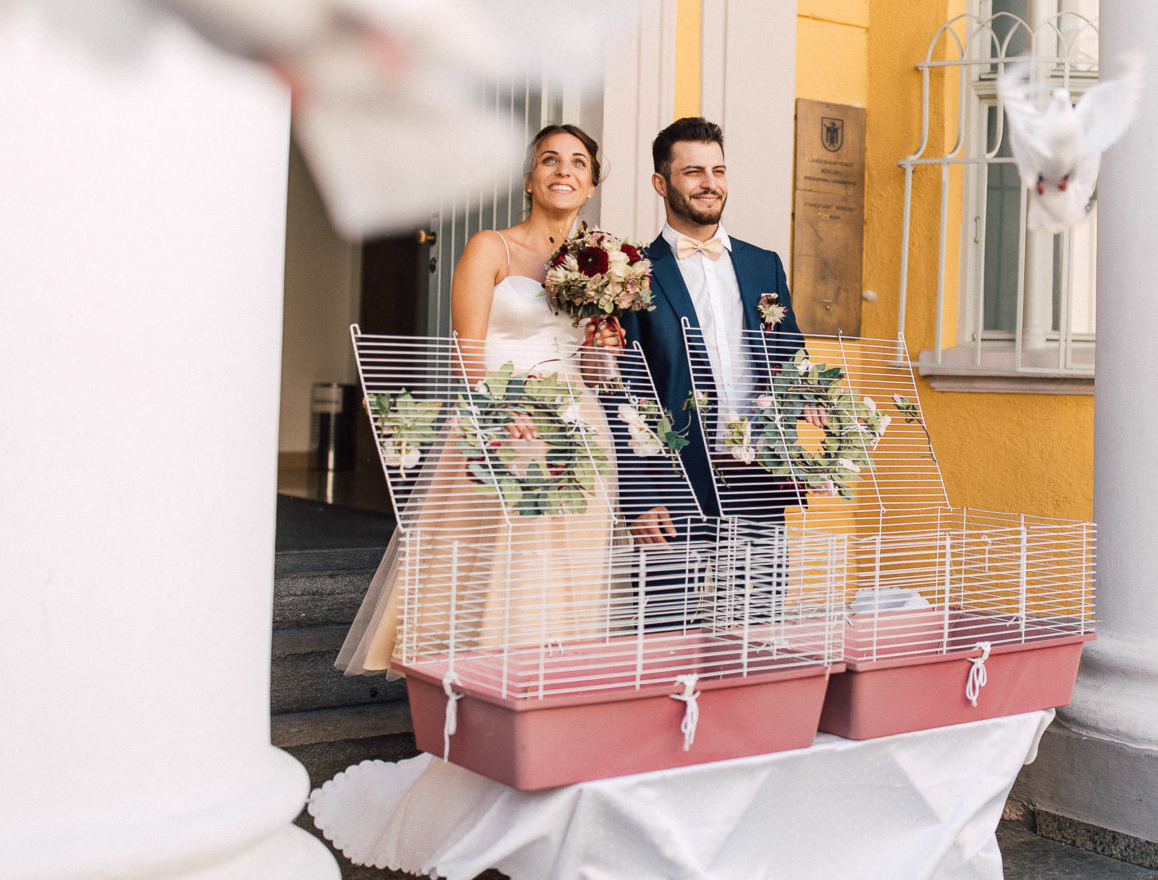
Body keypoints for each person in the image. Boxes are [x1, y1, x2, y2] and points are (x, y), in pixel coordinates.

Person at [336, 124, 624, 676]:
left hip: (579, 431)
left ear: (590, 186)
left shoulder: (600, 262)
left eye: (579, 163)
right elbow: (467, 353)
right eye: (550, 160)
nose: (564, 170)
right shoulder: (489, 247)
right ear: (528, 180)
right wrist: (502, 413)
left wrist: (605, 347)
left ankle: (555, 683)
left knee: (568, 569)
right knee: (500, 566)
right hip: (505, 423)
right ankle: (484, 682)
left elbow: (591, 369)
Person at [615, 117, 819, 556]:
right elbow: (623, 392)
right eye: (693, 172)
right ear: (660, 181)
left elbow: (793, 357)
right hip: (672, 483)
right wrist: (639, 496)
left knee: (758, 621)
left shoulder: (764, 265)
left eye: (718, 171)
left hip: (757, 477)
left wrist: (817, 403)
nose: (710, 184)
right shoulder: (632, 273)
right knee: (668, 620)